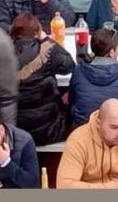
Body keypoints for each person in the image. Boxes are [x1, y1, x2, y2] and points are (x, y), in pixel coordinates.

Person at [57, 98, 118, 189]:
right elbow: (64, 186)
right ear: (99, 124)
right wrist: (111, 188)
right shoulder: (78, 139)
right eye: (114, 127)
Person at [10, 13, 74, 145]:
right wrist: (46, 39)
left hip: (16, 129)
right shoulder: (46, 50)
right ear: (37, 31)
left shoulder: (3, 53)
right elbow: (69, 65)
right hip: (50, 129)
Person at [68, 29, 118, 127]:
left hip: (82, 128)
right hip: (113, 130)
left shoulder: (78, 70)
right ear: (112, 52)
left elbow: (72, 100)